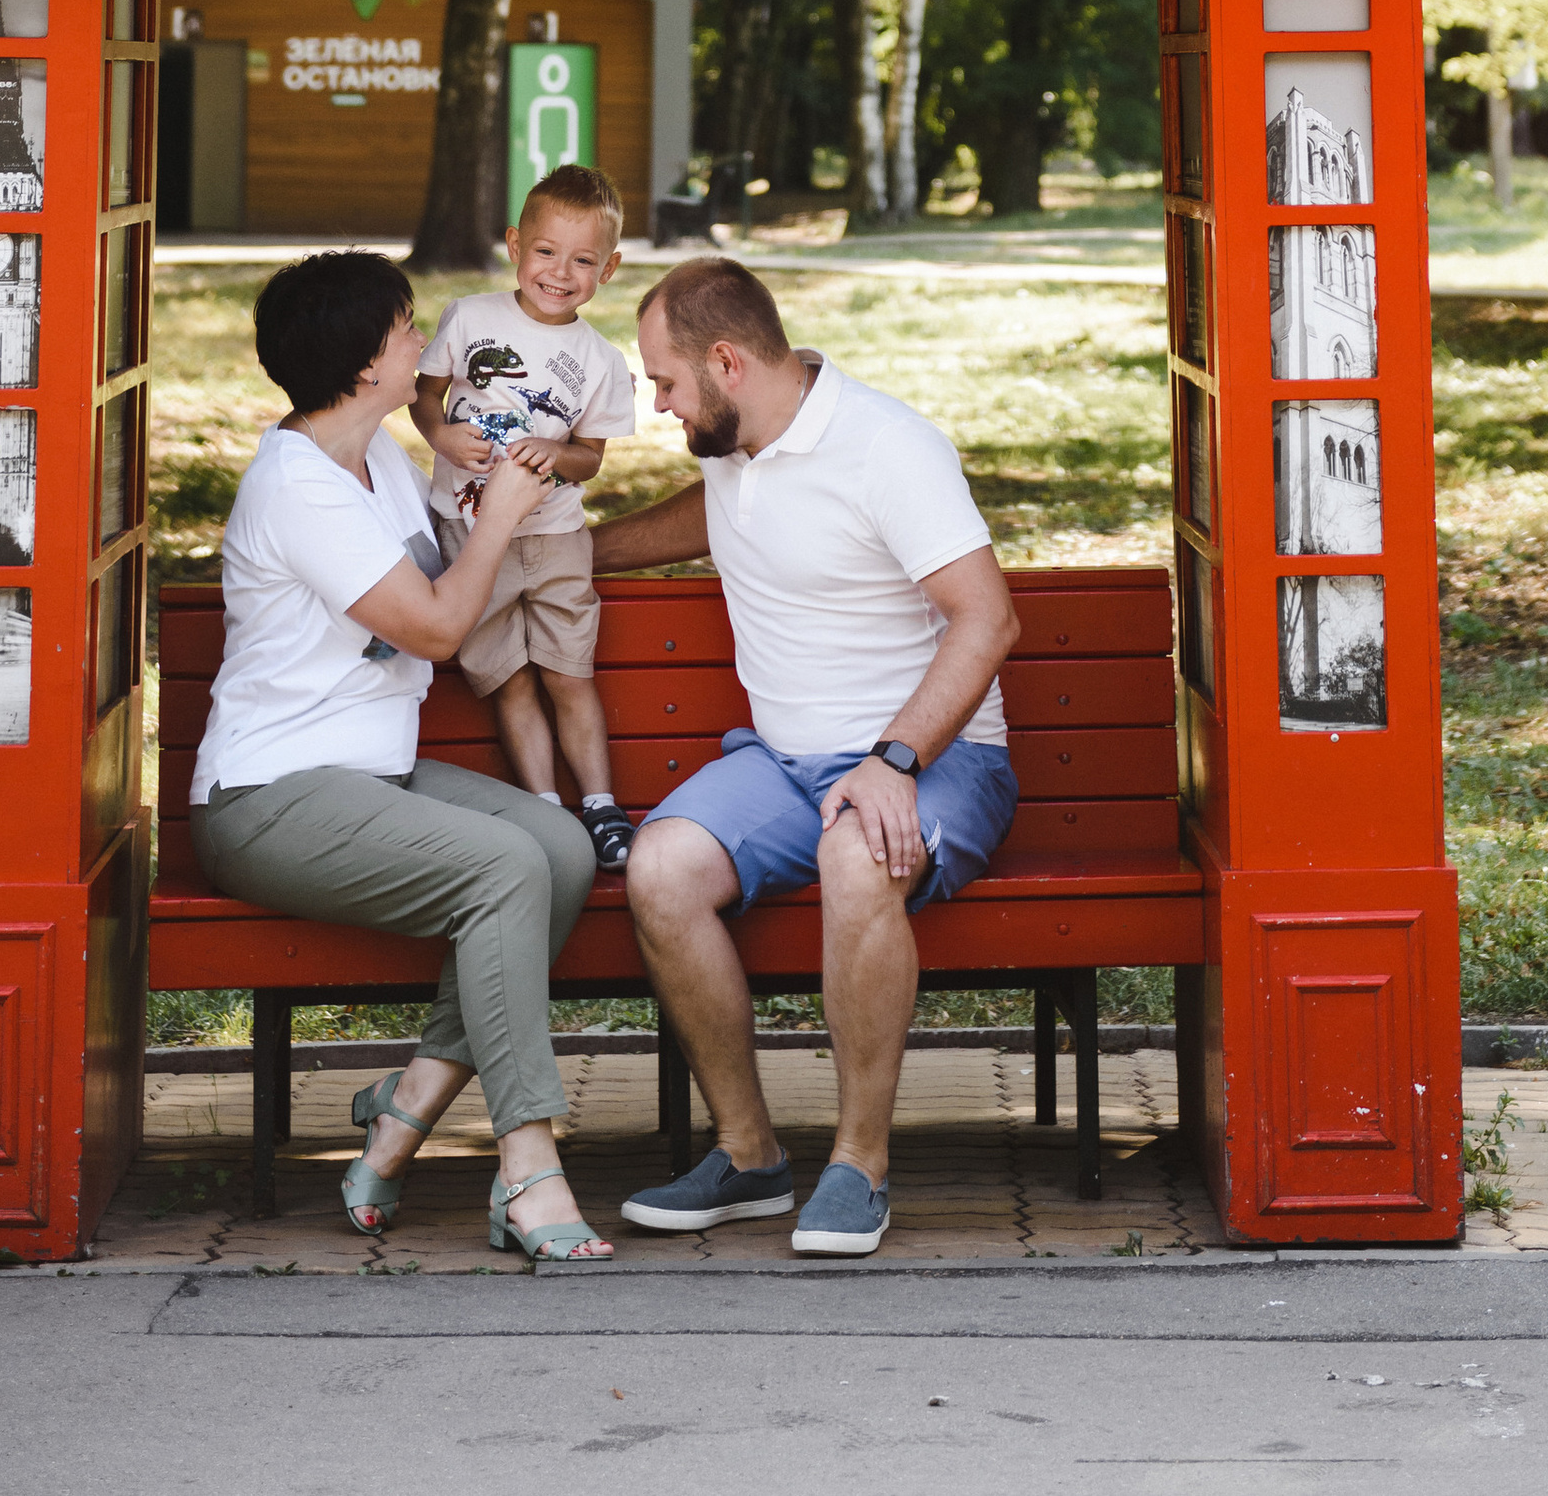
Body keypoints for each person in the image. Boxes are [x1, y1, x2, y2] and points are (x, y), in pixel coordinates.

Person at [189, 248, 612, 1262]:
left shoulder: (373, 455)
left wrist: (485, 503)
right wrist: (499, 521)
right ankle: (528, 1164)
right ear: (360, 360)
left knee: (556, 845)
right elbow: (432, 628)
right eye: (404, 326)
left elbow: (435, 574)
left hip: (367, 773)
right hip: (269, 796)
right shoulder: (297, 485)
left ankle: (409, 1101)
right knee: (502, 866)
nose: (423, 339)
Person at [598, 255, 1019, 1260]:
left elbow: (987, 618)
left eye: (663, 380)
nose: (657, 404)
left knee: (855, 851)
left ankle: (857, 1164)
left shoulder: (889, 447)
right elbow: (718, 513)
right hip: (782, 761)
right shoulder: (735, 438)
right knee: (659, 869)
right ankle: (748, 1155)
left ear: (728, 361)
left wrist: (893, 758)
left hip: (936, 754)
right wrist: (574, 551)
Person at [410, 165, 637, 866]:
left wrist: (557, 448)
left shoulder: (600, 359)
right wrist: (442, 436)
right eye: (546, 251)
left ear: (610, 267)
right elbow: (426, 392)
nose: (560, 272)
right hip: (472, 533)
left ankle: (599, 806)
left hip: (556, 537)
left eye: (583, 260)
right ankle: (545, 808)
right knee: (509, 677)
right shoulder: (471, 316)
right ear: (514, 244)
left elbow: (591, 459)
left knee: (570, 673)